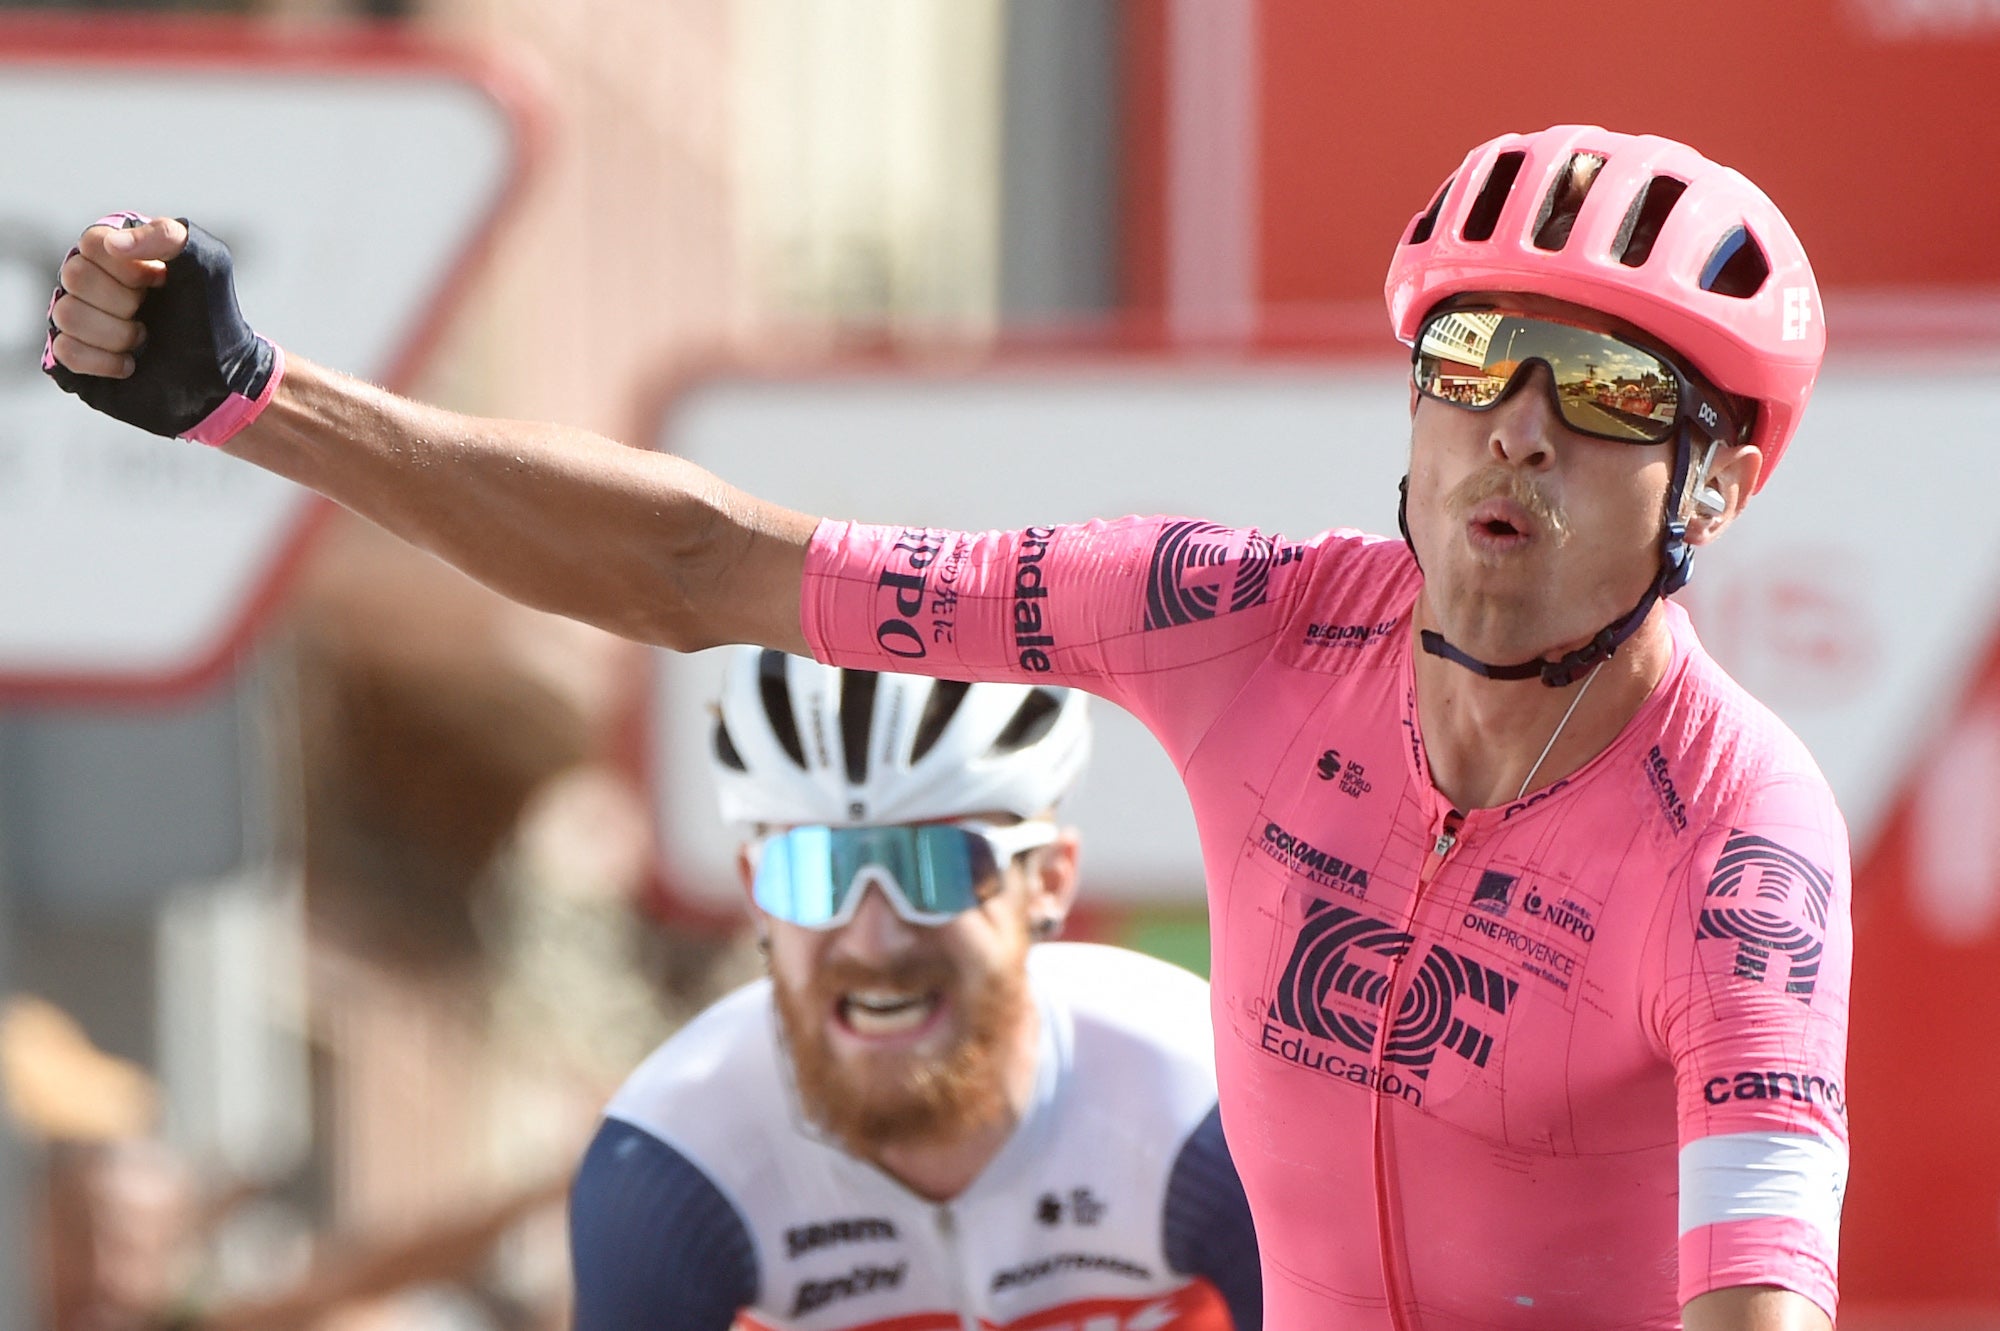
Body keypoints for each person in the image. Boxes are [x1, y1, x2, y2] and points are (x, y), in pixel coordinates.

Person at [44, 123, 1850, 1329]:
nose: (1519, 432)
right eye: (1476, 364)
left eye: (1609, 391)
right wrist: (258, 404)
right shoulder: (1246, 620)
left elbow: (1758, 1297)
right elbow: (704, 564)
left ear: (1723, 482)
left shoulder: (1737, 840)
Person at [565, 648, 1262, 1329]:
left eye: (937, 865)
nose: (875, 939)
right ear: (757, 895)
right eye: (815, 872)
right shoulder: (676, 1161)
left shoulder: (1201, 1107)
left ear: (1048, 879)